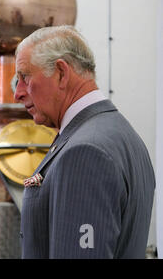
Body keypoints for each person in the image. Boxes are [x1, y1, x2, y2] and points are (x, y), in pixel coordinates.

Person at [13, 25, 155, 258]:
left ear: (61, 73)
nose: (17, 93)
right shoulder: (122, 134)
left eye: (25, 77)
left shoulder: (85, 151)